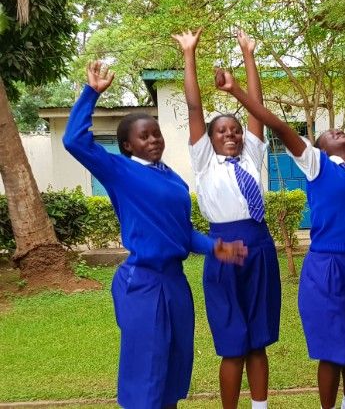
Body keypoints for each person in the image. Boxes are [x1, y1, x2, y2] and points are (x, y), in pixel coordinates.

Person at [63, 61, 248, 409]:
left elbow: (181, 233)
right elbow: (73, 140)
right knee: (145, 371)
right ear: (127, 146)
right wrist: (91, 93)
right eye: (144, 136)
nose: (153, 140)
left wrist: (214, 247)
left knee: (173, 368)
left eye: (157, 134)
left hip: (175, 284)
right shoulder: (120, 171)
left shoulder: (171, 178)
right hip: (144, 285)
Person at [214, 68, 345, 409]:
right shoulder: (317, 164)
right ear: (319, 148)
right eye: (329, 133)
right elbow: (279, 127)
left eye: (341, 130)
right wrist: (237, 91)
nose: (338, 131)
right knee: (332, 346)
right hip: (327, 266)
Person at [172, 28, 281, 409]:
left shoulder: (251, 156)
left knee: (259, 339)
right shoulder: (204, 160)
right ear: (211, 138)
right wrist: (190, 54)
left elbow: (257, 107)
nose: (231, 135)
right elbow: (193, 109)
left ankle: (261, 406)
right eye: (222, 131)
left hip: (260, 245)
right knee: (233, 343)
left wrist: (248, 54)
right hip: (223, 250)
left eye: (235, 130)